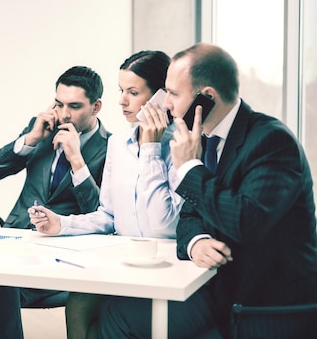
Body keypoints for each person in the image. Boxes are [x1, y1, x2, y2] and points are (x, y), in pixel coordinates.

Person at [99, 43, 317, 338]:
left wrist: (189, 167)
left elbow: (244, 222)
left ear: (207, 97)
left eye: (174, 94)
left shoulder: (272, 141)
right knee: (117, 313)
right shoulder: (203, 139)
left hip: (266, 304)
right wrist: (196, 242)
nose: (165, 104)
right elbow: (188, 217)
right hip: (220, 289)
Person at [28, 50, 182, 339]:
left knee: (105, 322)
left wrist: (150, 148)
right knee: (77, 304)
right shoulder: (118, 143)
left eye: (133, 92)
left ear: (162, 96)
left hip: (164, 267)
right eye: (121, 90)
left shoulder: (182, 143)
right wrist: (61, 223)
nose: (122, 100)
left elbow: (164, 226)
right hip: (122, 262)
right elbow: (108, 215)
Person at [0, 65, 110, 339]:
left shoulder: (110, 147)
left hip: (65, 252)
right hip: (17, 241)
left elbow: (100, 214)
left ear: (96, 107)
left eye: (74, 106)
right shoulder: (41, 130)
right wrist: (29, 139)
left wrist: (77, 160)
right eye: (59, 104)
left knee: (0, 278)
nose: (64, 114)